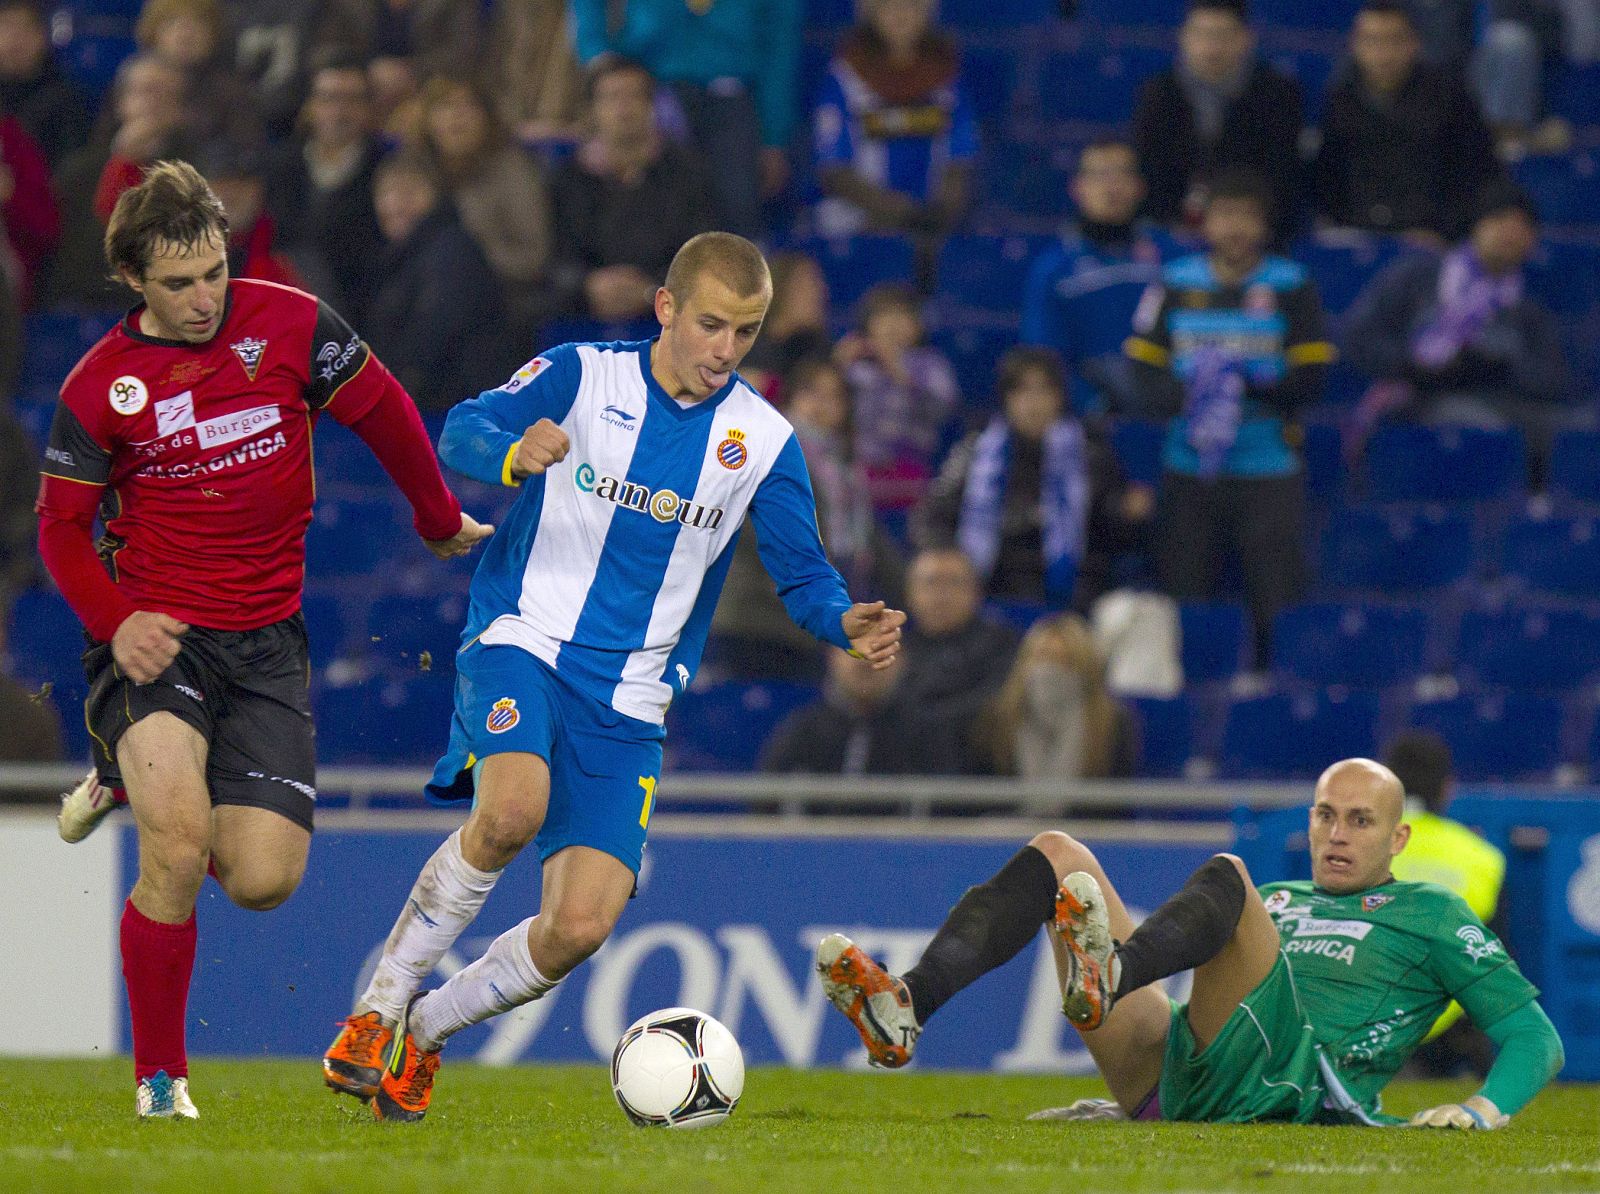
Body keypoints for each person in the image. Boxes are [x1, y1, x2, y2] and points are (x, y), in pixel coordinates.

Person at [321, 231, 905, 1123]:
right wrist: (516, 456)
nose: (725, 349)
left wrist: (842, 619)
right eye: (710, 324)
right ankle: (378, 1007)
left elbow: (801, 572)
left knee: (581, 927)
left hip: (630, 698)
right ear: (666, 308)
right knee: (510, 809)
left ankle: (427, 1032)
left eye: (745, 332)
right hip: (523, 636)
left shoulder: (765, 438)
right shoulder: (580, 373)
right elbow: (463, 428)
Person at [35, 160, 489, 1119]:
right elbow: (58, 532)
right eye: (179, 283)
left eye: (214, 272)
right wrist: (118, 625)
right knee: (179, 839)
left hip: (268, 644)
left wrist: (437, 516)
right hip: (159, 641)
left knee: (262, 880)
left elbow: (389, 412)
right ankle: (162, 1083)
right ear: (133, 282)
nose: (205, 298)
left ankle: (130, 780)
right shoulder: (99, 386)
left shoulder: (292, 322)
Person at [816, 758, 1565, 1128]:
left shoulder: (1431, 911)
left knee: (1228, 879)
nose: (1337, 834)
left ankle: (1108, 972)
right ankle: (909, 1003)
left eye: (1360, 822)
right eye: (1325, 815)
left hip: (1298, 1090)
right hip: (1192, 1070)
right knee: (1059, 852)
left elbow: (1534, 1038)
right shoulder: (1281, 902)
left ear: (1399, 836)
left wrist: (1480, 1110)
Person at [1125, 172, 1332, 668]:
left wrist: (1246, 386)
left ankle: (1269, 683)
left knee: (1275, 589)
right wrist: (1193, 397)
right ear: (1206, 223)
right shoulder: (1175, 283)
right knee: (1186, 587)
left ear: (1264, 225)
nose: (1235, 228)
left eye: (1247, 216)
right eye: (1225, 215)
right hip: (1189, 463)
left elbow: (1313, 376)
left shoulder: (1291, 284)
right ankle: (1194, 689)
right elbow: (1143, 371)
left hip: (1268, 464)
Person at [1341, 181, 1576, 478]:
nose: (1512, 234)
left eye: (1524, 226)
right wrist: (1414, 366)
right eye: (1501, 220)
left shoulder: (1529, 310)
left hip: (1499, 405)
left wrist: (1497, 367)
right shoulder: (1417, 277)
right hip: (1416, 400)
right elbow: (1360, 337)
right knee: (1471, 422)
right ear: (1477, 224)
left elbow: (1551, 379)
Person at [918, 347, 1153, 612]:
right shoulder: (976, 450)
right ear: (1007, 398)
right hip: (988, 591)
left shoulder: (1090, 452)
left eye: (1044, 390)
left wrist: (1125, 512)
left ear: (1059, 397)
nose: (1034, 402)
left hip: (1078, 594)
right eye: (1022, 391)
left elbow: (1113, 533)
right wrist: (953, 561)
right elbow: (932, 518)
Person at [572, 0, 801, 238]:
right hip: (650, 84)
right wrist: (598, 57)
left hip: (733, 91)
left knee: (735, 217)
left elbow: (781, 37)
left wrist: (774, 134)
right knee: (652, 215)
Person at [1311, 0, 1503, 245]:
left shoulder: (1450, 98)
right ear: (1355, 45)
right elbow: (1327, 179)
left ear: (1415, 43)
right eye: (1372, 40)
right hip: (1355, 237)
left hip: (1430, 241)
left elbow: (1477, 175)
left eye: (1394, 40)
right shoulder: (1339, 100)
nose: (1383, 53)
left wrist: (1443, 231)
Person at [548, 57, 717, 324]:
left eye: (634, 96)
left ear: (652, 105)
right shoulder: (569, 178)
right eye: (612, 97)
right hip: (583, 311)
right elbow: (556, 256)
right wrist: (589, 285)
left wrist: (651, 290)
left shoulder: (687, 173)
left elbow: (701, 252)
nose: (623, 108)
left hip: (670, 316)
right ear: (593, 109)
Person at [1020, 140, 1176, 417]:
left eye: (1122, 174)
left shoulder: (1174, 259)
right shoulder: (1054, 270)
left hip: (1174, 414)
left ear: (1140, 186)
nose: (1112, 187)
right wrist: (1090, 405)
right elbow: (1045, 358)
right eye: (1100, 175)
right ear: (1076, 188)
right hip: (1090, 425)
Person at [1385, 731, 1507, 1075]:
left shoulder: (1359, 849)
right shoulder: (1483, 856)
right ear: (1447, 787)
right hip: (1452, 1036)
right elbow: (1497, 960)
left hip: (1362, 1019)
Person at [1131, 0, 1303, 243]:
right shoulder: (1158, 93)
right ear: (1184, 37)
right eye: (1201, 34)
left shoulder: (1278, 94)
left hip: (1254, 237)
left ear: (1246, 38)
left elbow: (1281, 176)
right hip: (1172, 233)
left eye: (1222, 35)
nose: (1211, 47)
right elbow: (1149, 170)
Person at [811, 0, 977, 243]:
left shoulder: (946, 78)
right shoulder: (846, 77)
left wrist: (941, 211)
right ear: (870, 11)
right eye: (889, 5)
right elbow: (834, 171)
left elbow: (960, 161)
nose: (901, 15)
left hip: (933, 223)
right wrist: (898, 212)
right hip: (860, 224)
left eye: (911, 5)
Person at [364, 152, 505, 413]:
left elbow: (433, 338)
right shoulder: (399, 254)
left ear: (435, 196)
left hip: (454, 413)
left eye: (408, 193)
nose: (394, 204)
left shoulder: (451, 251)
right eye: (385, 194)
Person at [264, 47, 387, 323]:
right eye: (329, 98)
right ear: (310, 106)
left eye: (352, 99)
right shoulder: (282, 166)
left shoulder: (385, 168)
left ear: (368, 107)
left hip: (360, 316)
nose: (340, 111)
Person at [412, 73, 552, 304]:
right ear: (427, 118)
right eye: (445, 106)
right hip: (419, 294)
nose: (457, 116)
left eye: (469, 105)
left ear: (487, 117)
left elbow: (533, 258)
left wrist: (470, 258)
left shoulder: (512, 169)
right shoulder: (411, 167)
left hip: (497, 297)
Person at [839, 283, 960, 525]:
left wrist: (900, 371)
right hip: (859, 475)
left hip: (912, 474)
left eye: (902, 315)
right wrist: (837, 365)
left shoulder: (930, 364)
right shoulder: (857, 366)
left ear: (918, 325)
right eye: (883, 316)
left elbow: (944, 409)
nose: (892, 324)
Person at [895, 547, 1017, 774]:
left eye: (953, 583)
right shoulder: (894, 650)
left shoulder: (1001, 645)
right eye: (931, 583)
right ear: (910, 594)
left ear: (976, 592)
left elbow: (995, 704)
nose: (942, 596)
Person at [981, 612, 1136, 781]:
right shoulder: (996, 718)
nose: (1050, 670)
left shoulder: (1113, 724)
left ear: (1085, 667)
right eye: (1043, 658)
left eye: (1064, 661)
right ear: (1025, 663)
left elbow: (1115, 799)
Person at [0, 0, 92, 171]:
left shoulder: (66, 98)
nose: (15, 39)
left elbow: (70, 168)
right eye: (6, 27)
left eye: (25, 28)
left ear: (42, 36)